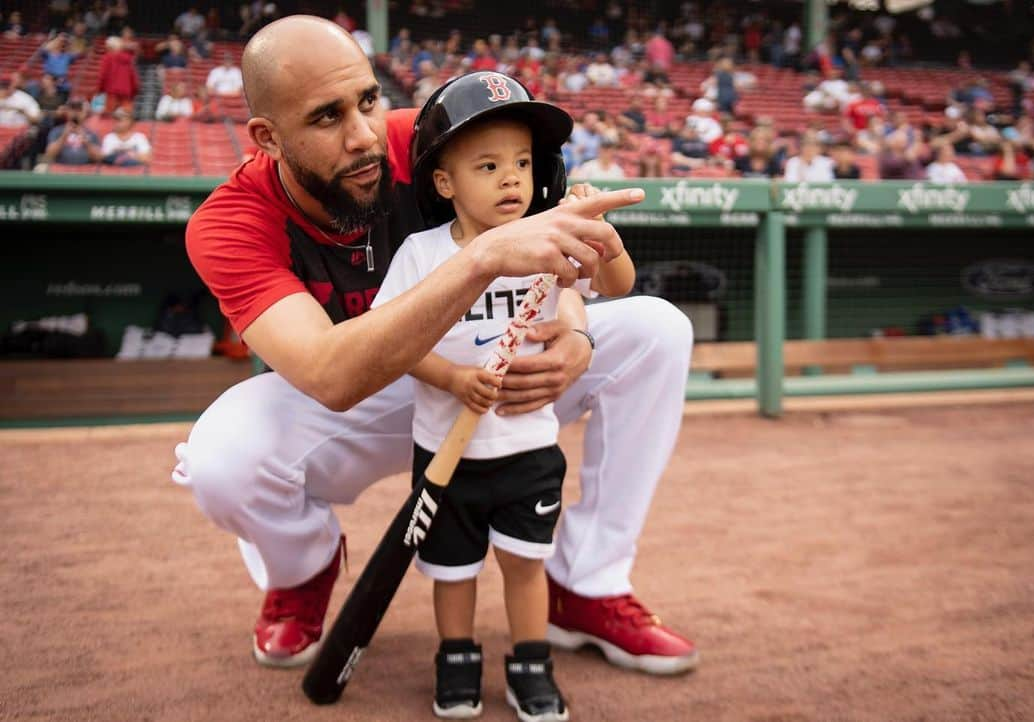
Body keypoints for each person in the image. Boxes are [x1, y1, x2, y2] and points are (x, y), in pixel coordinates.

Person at [173, 15, 697, 679]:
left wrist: (576, 328)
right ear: (268, 137)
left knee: (656, 329)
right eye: (327, 117)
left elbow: (545, 235)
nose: (363, 135)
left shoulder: (425, 141)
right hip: (357, 399)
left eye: (367, 99)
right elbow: (330, 377)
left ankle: (586, 585)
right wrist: (479, 261)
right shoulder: (229, 222)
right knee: (222, 456)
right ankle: (302, 568)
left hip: (489, 371)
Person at [371, 71, 635, 722]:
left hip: (527, 448)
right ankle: (456, 658)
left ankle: (529, 662)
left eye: (521, 162)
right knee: (452, 573)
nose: (512, 178)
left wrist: (607, 240)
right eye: (487, 166)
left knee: (524, 567)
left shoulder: (551, 238)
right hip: (444, 452)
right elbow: (392, 343)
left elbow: (619, 285)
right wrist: (454, 379)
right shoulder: (422, 253)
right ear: (444, 182)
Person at [43, 100, 102, 166]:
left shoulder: (91, 133)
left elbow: (98, 158)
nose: (75, 113)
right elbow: (49, 154)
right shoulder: (57, 131)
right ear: (67, 112)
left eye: (79, 110)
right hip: (61, 170)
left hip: (85, 170)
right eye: (73, 110)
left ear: (84, 113)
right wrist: (64, 136)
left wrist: (86, 141)